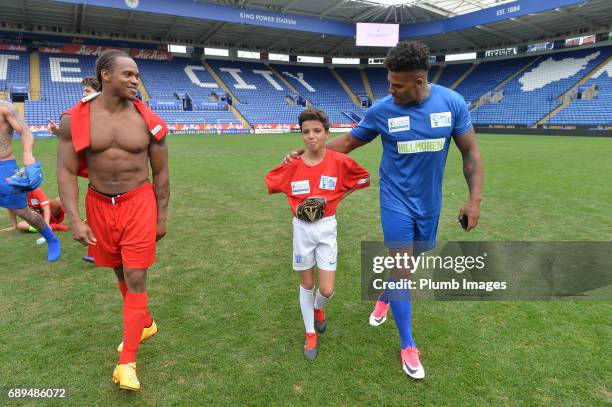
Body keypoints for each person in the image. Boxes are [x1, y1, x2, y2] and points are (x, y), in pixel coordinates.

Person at [285, 41, 483, 379]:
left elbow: (470, 154)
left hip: (429, 204)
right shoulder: (382, 110)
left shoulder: (451, 103)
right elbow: (347, 144)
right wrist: (305, 158)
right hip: (395, 202)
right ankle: (408, 344)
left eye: (397, 85)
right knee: (403, 269)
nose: (389, 90)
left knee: (408, 265)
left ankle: (386, 294)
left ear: (419, 81)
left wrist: (474, 199)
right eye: (388, 82)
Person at [57, 50, 169, 392]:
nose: (135, 80)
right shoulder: (74, 119)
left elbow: (161, 172)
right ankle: (145, 322)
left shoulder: (149, 119)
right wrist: (75, 219)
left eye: (137, 75)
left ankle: (127, 363)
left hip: (139, 203)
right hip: (100, 204)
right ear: (105, 75)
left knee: (136, 273)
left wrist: (161, 215)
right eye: (128, 74)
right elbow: (65, 170)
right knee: (120, 269)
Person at [267, 108, 370, 360]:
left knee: (325, 289)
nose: (311, 137)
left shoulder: (339, 162)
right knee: (307, 283)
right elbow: (272, 181)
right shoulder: (292, 165)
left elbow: (363, 179)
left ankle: (318, 308)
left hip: (327, 227)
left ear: (327, 133)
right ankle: (310, 332)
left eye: (317, 131)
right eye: (306, 132)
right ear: (301, 135)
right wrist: (289, 162)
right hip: (302, 229)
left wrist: (334, 200)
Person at [0, 100, 61, 261]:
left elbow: (26, 132)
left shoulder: (5, 108)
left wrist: (27, 153)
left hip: (4, 167)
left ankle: (51, 239)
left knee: (23, 211)